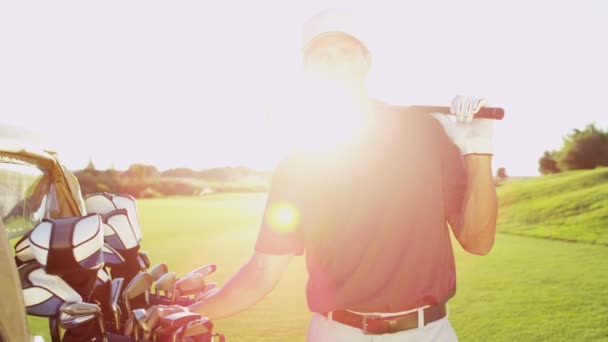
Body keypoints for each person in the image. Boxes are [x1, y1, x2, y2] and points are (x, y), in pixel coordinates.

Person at [127, 8, 498, 341]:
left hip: (425, 333)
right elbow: (262, 271)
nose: (334, 65)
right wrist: (189, 312)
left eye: (345, 53)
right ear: (306, 69)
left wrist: (477, 150)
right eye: (321, 56)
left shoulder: (426, 134)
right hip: (335, 333)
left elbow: (478, 241)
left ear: (366, 61)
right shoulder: (300, 162)